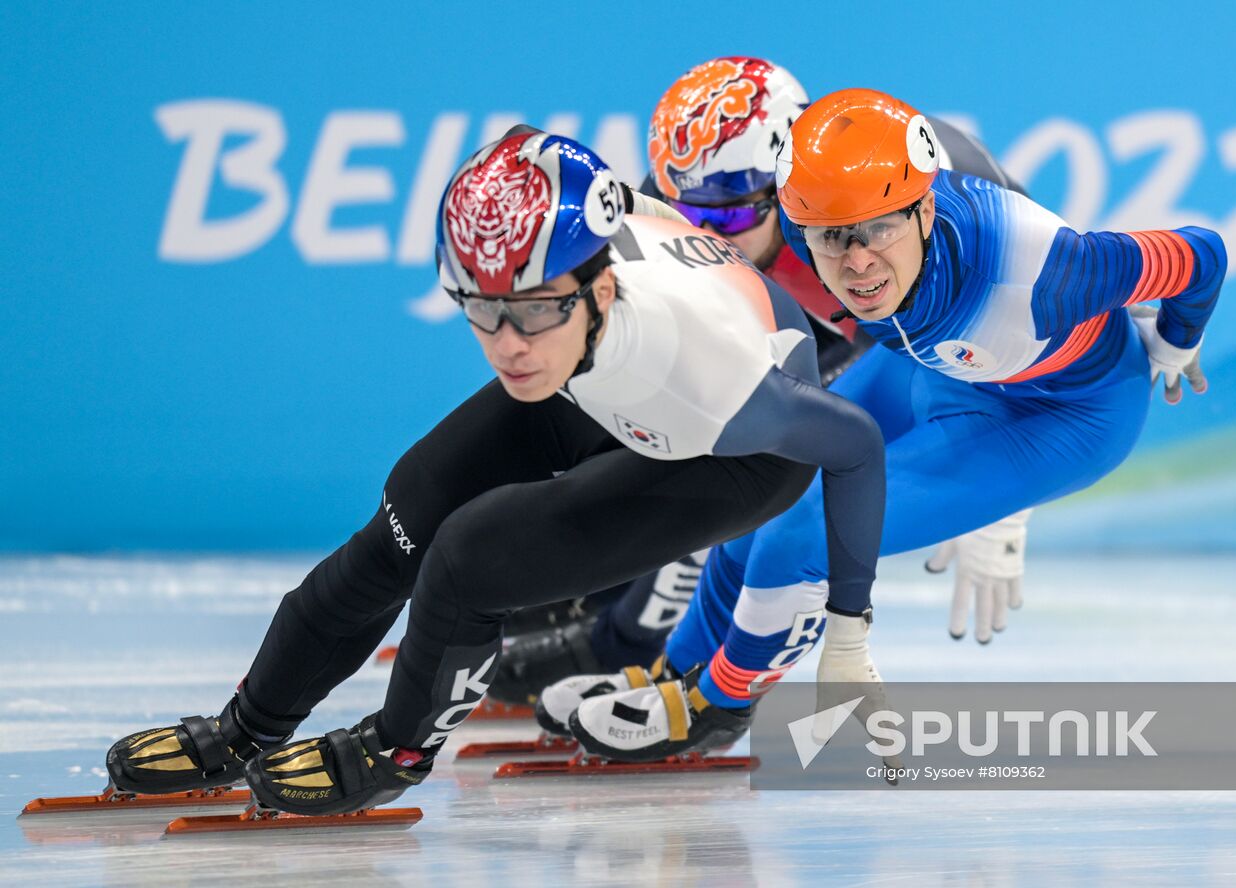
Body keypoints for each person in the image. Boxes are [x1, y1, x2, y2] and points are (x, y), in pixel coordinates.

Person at [103, 130, 885, 816]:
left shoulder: (715, 376)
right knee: (404, 520)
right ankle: (247, 728)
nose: (508, 343)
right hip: (591, 374)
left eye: (537, 307)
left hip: (730, 454)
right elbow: (524, 144)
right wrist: (541, 316)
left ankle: (395, 751)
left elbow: (856, 446)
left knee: (469, 559)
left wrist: (849, 628)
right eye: (482, 308)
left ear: (598, 287)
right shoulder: (549, 300)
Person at [556, 87, 1226, 762]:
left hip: (1063, 413)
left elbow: (1202, 254)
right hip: (946, 368)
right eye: (831, 237)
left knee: (800, 535)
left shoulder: (1048, 273)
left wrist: (1176, 343)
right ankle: (674, 672)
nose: (857, 262)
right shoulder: (799, 221)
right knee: (762, 486)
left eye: (878, 229)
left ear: (926, 207)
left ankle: (716, 707)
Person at [493, 58, 1036, 711]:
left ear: (786, 187)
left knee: (769, 475)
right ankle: (588, 602)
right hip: (810, 318)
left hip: (915, 343)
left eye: (723, 222)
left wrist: (1005, 503)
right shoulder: (685, 200)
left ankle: (662, 661)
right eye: (683, 213)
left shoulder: (919, 198)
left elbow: (1035, 329)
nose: (702, 238)